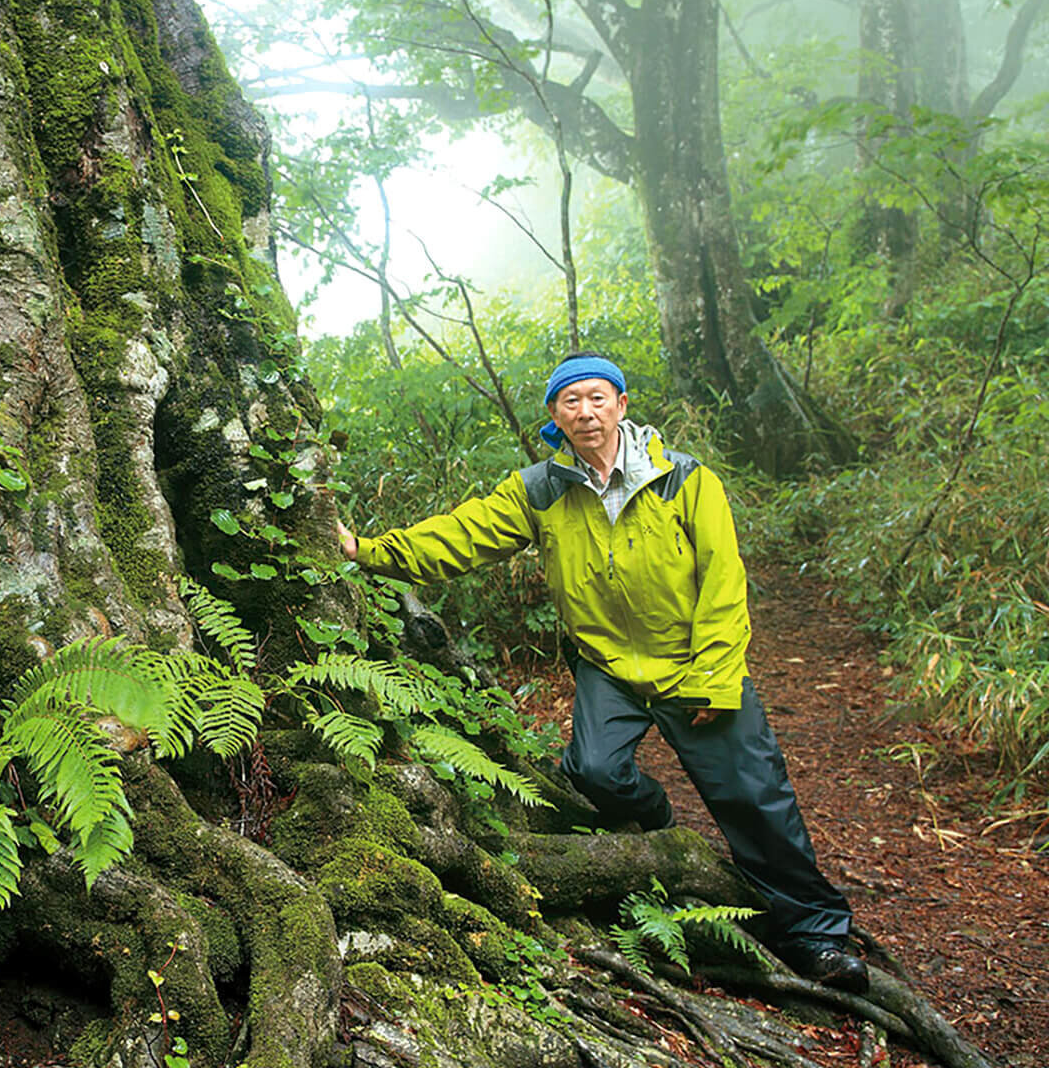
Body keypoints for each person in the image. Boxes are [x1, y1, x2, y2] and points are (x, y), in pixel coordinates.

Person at [337, 352, 868, 993]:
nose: (585, 411)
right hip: (608, 666)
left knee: (755, 798)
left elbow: (724, 585)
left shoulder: (687, 481)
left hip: (692, 664)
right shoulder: (541, 489)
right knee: (593, 772)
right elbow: (463, 534)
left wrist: (717, 678)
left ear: (621, 404)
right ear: (555, 418)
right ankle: (661, 824)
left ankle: (815, 933)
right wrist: (367, 551)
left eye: (597, 398)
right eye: (570, 402)